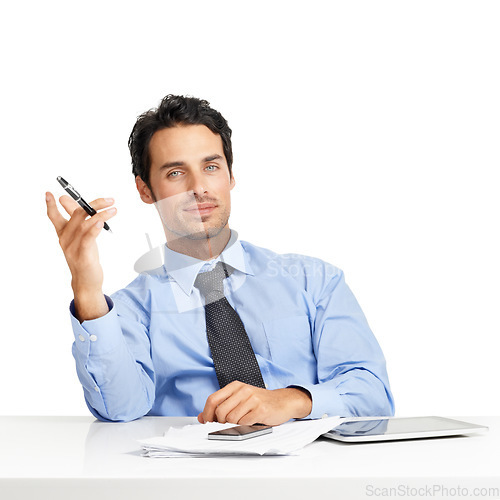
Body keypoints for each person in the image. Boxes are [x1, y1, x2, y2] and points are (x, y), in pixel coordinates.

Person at [46, 94, 394, 424]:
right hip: (188, 482)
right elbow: (119, 410)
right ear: (145, 190)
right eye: (175, 173)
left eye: (211, 166)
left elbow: (373, 399)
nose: (199, 187)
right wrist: (86, 288)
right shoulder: (131, 310)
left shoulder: (315, 280)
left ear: (230, 175)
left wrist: (291, 400)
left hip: (308, 475)